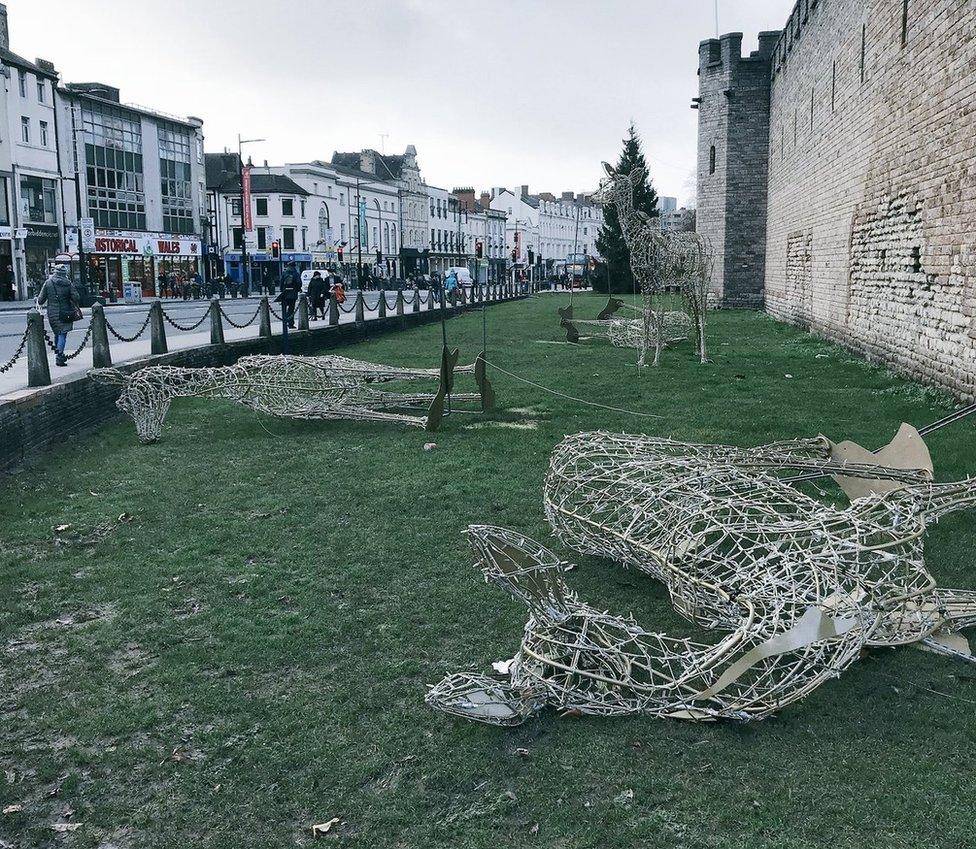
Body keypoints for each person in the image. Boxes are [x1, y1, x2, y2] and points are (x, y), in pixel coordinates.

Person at [37, 264, 80, 368]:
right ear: (65, 274)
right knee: (62, 334)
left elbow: (40, 300)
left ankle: (58, 353)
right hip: (65, 312)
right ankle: (60, 357)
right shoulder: (68, 283)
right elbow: (76, 298)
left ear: (55, 272)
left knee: (57, 332)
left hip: (52, 313)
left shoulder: (48, 283)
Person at [276, 261, 301, 328]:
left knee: (284, 307)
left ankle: (285, 321)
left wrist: (282, 290)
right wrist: (298, 289)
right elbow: (299, 283)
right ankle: (290, 323)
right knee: (291, 309)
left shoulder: (284, 273)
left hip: (285, 293)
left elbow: (281, 282)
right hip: (293, 293)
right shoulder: (296, 273)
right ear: (294, 266)